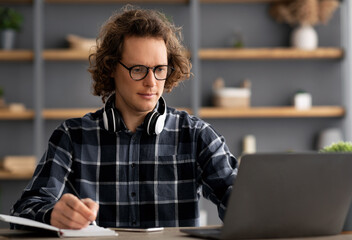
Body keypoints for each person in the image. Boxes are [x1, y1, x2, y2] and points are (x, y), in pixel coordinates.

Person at [11, 6, 238, 229]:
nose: (151, 82)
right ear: (111, 67)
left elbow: (242, 203)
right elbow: (23, 210)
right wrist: (52, 214)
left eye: (160, 69)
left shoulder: (197, 135)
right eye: (138, 69)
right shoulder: (72, 136)